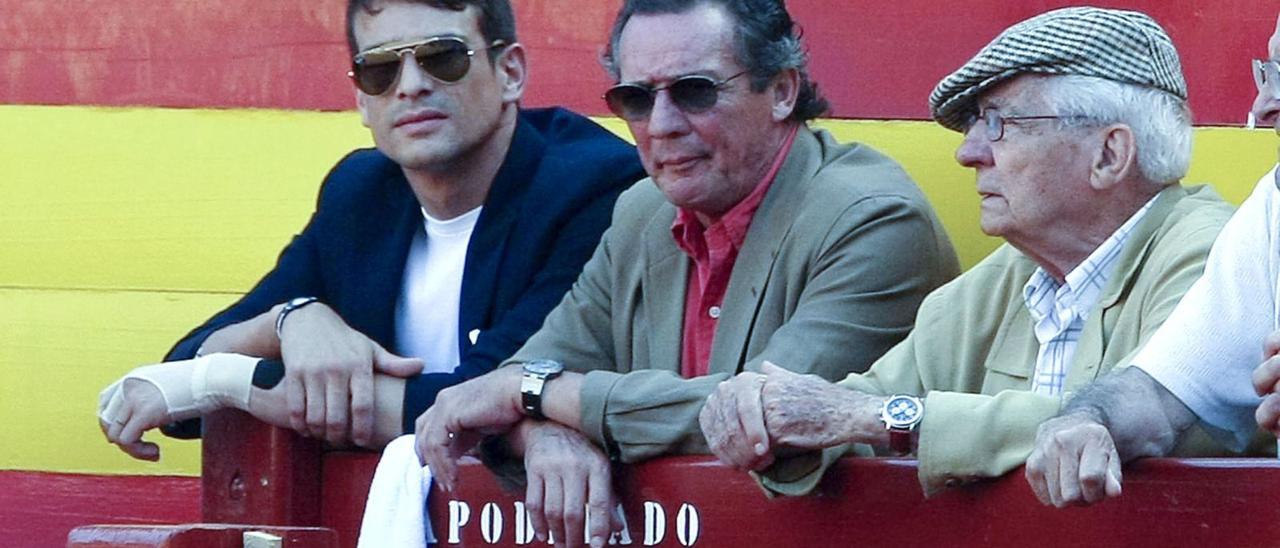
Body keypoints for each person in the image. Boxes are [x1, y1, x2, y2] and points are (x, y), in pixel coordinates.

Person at [413, 0, 958, 545]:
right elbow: (523, 380)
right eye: (636, 99)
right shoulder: (642, 212)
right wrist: (543, 433)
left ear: (782, 91)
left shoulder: (873, 219)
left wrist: (533, 395)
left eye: (695, 91)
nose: (662, 125)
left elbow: (759, 420)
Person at [699, 6, 1243, 498]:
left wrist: (880, 418)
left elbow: (1140, 419)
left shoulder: (1215, 257)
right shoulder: (999, 282)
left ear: (1109, 154)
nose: (968, 152)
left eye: (1000, 123)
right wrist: (770, 417)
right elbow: (852, 414)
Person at [95, 0, 645, 460]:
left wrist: (223, 383)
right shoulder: (360, 193)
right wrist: (292, 321)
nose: (410, 86)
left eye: (443, 58)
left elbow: (479, 402)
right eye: (380, 70)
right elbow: (182, 364)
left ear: (511, 72)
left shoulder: (593, 186)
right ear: (360, 99)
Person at [1024, 11, 1280, 509]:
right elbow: (1162, 395)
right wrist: (1088, 421)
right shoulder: (1275, 208)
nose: (1263, 105)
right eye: (1268, 74)